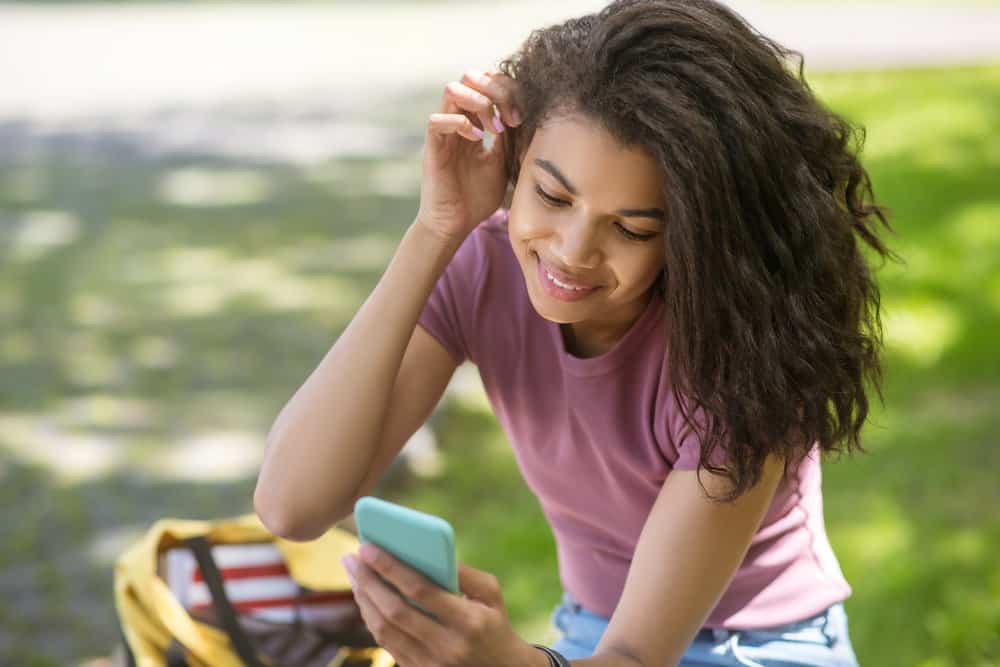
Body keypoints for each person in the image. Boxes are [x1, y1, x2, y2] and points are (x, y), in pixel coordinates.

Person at [253, 1, 897, 665]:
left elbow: (637, 655)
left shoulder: (740, 353)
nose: (571, 252)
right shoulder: (486, 266)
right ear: (515, 160)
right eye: (552, 197)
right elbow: (291, 504)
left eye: (632, 228)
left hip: (762, 646)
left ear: (698, 237)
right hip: (591, 632)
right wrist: (436, 230)